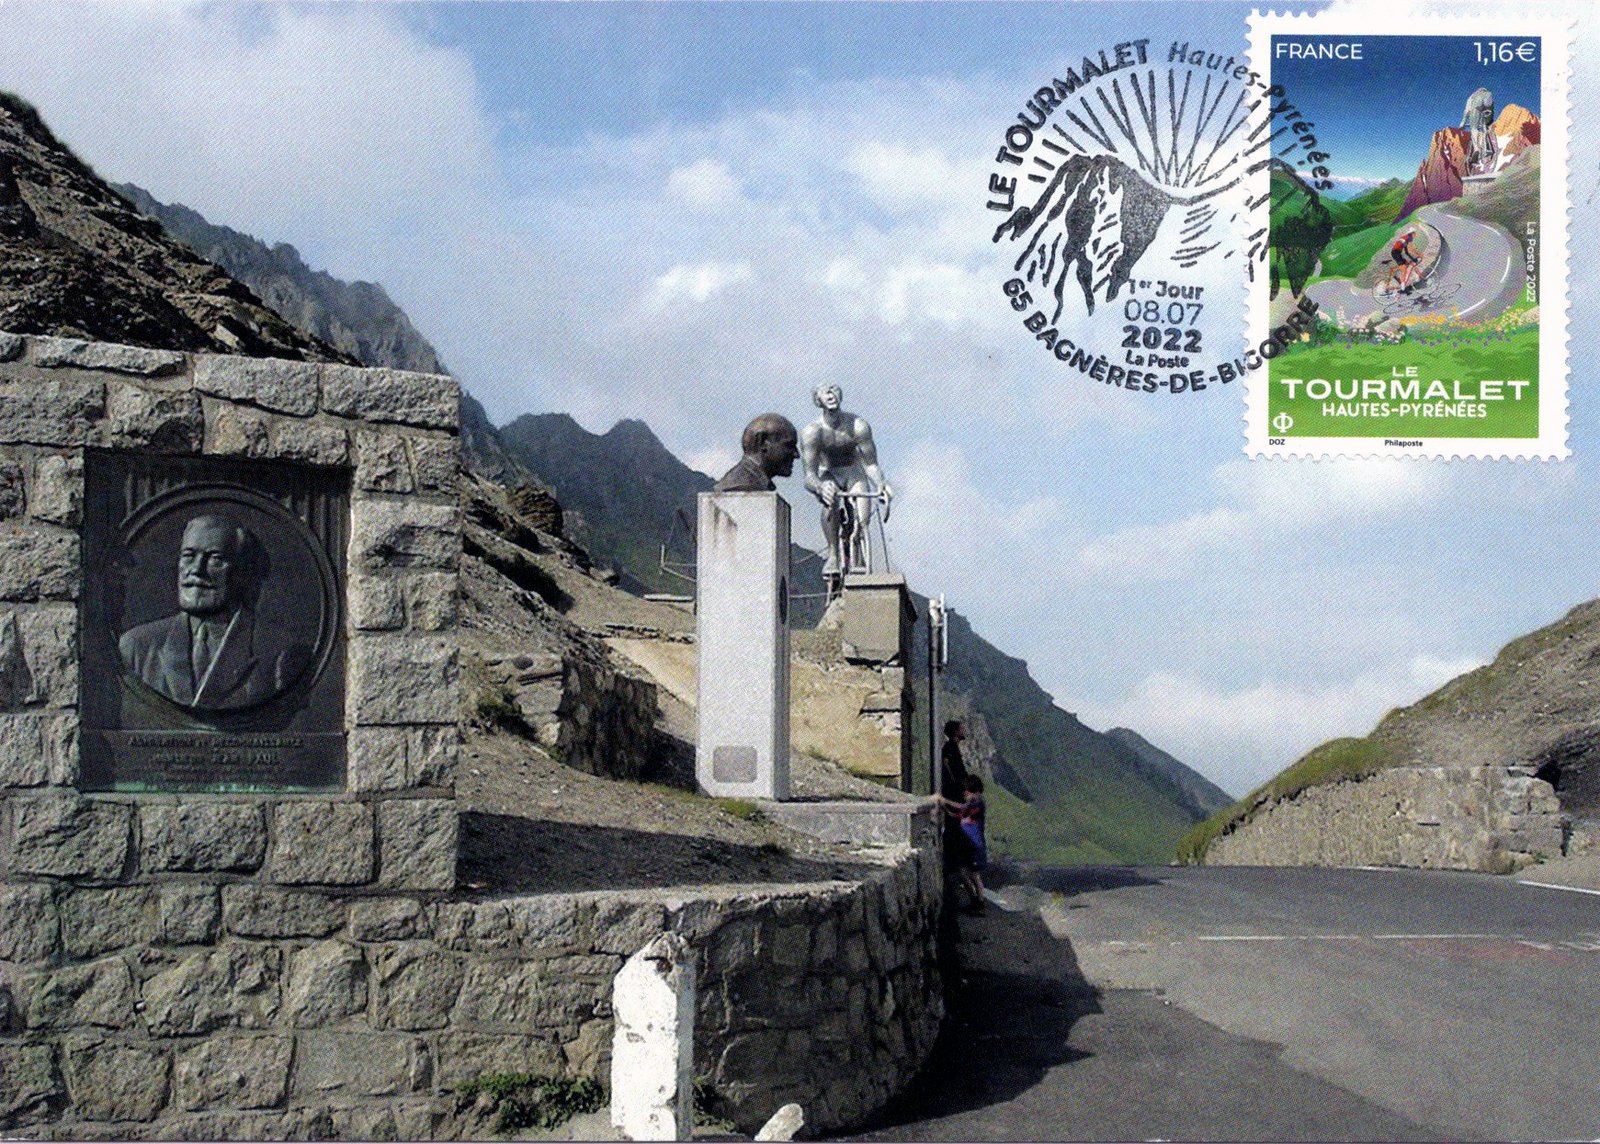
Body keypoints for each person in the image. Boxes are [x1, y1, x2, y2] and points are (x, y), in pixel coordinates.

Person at [119, 513, 308, 710]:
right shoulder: (136, 648)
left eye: (215, 559)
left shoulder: (279, 653)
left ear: (242, 572)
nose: (197, 570)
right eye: (188, 556)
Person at [799, 383, 892, 582]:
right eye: (825, 392)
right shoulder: (812, 432)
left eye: (834, 390)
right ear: (818, 400)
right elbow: (809, 476)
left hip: (853, 472)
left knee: (863, 516)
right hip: (828, 473)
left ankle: (860, 543)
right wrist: (820, 487)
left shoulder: (858, 426)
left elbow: (871, 464)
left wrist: (881, 484)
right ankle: (833, 554)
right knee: (830, 500)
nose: (830, 394)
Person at [933, 774, 988, 914]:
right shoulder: (973, 805)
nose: (964, 793)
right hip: (969, 845)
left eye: (967, 791)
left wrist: (945, 801)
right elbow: (959, 813)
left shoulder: (977, 806)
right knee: (966, 873)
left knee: (973, 875)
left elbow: (961, 811)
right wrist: (945, 807)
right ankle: (976, 901)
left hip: (974, 845)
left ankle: (979, 902)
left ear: (975, 792)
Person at [714, 414, 800, 492]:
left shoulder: (759, 484)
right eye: (789, 445)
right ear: (762, 442)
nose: (796, 454)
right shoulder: (739, 485)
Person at [1387, 228, 1421, 293]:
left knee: (1408, 264)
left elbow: (1406, 252)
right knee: (1404, 269)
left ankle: (1396, 274)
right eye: (1415, 233)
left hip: (1397, 253)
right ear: (1412, 233)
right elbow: (1411, 249)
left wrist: (1413, 259)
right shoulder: (1409, 238)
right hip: (1396, 253)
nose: (1416, 234)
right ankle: (1403, 286)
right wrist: (1418, 255)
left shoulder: (1406, 239)